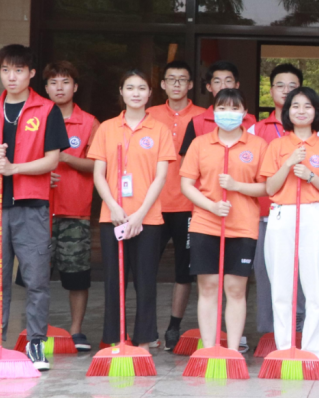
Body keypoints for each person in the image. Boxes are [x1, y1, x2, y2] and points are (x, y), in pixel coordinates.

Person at [0, 44, 69, 371]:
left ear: (31, 73)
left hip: (31, 205)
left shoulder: (47, 110)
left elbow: (52, 160)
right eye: (6, 70)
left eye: (19, 70)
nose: (12, 77)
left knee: (36, 278)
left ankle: (36, 342)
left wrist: (14, 169)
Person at [88, 70, 176, 350]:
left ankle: (145, 340)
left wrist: (140, 215)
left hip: (147, 218)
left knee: (145, 281)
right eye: (130, 87)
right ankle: (115, 339)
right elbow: (98, 174)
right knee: (114, 282)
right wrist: (114, 207)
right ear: (121, 92)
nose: (136, 93)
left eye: (141, 88)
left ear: (150, 93)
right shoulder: (107, 128)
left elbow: (160, 177)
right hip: (112, 217)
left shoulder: (160, 130)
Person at [179, 88, 267, 357]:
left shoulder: (257, 145)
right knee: (208, 287)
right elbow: (186, 184)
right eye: (222, 108)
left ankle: (232, 351)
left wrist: (237, 186)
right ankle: (209, 350)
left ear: (245, 113)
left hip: (243, 226)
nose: (228, 113)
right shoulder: (200, 144)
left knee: (235, 289)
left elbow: (266, 187)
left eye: (234, 108)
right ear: (214, 111)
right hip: (205, 224)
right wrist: (212, 207)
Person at [259, 87, 319, 358]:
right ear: (287, 111)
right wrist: (288, 164)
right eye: (295, 106)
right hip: (282, 214)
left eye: (308, 106)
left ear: (316, 111)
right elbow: (269, 188)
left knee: (315, 287)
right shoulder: (277, 146)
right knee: (281, 287)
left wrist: (310, 176)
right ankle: (284, 349)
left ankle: (311, 353)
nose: (301, 111)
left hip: (313, 215)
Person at [250, 63, 311, 348]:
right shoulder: (256, 129)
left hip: (304, 214)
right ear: (271, 89)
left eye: (292, 86)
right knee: (266, 274)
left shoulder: (313, 131)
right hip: (265, 214)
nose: (286, 91)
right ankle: (269, 333)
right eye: (280, 85)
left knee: (301, 274)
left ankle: (298, 330)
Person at [147, 60, 204, 352]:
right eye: (172, 79)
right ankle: (145, 328)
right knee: (145, 269)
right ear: (163, 84)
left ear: (191, 84)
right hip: (153, 205)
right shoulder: (150, 115)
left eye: (183, 79)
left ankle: (173, 327)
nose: (177, 84)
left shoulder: (204, 117)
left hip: (188, 206)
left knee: (184, 272)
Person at [43, 61, 100, 352]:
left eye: (65, 82)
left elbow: (98, 165)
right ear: (45, 88)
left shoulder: (89, 123)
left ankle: (76, 331)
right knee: (35, 275)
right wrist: (42, 172)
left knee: (77, 277)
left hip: (75, 210)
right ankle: (37, 329)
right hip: (38, 209)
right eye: (53, 82)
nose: (59, 88)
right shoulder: (35, 119)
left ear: (75, 87)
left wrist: (64, 158)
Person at [181, 61, 257, 142]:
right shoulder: (196, 122)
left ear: (237, 85)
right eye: (217, 82)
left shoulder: (252, 121)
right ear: (209, 87)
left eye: (228, 81)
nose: (223, 86)